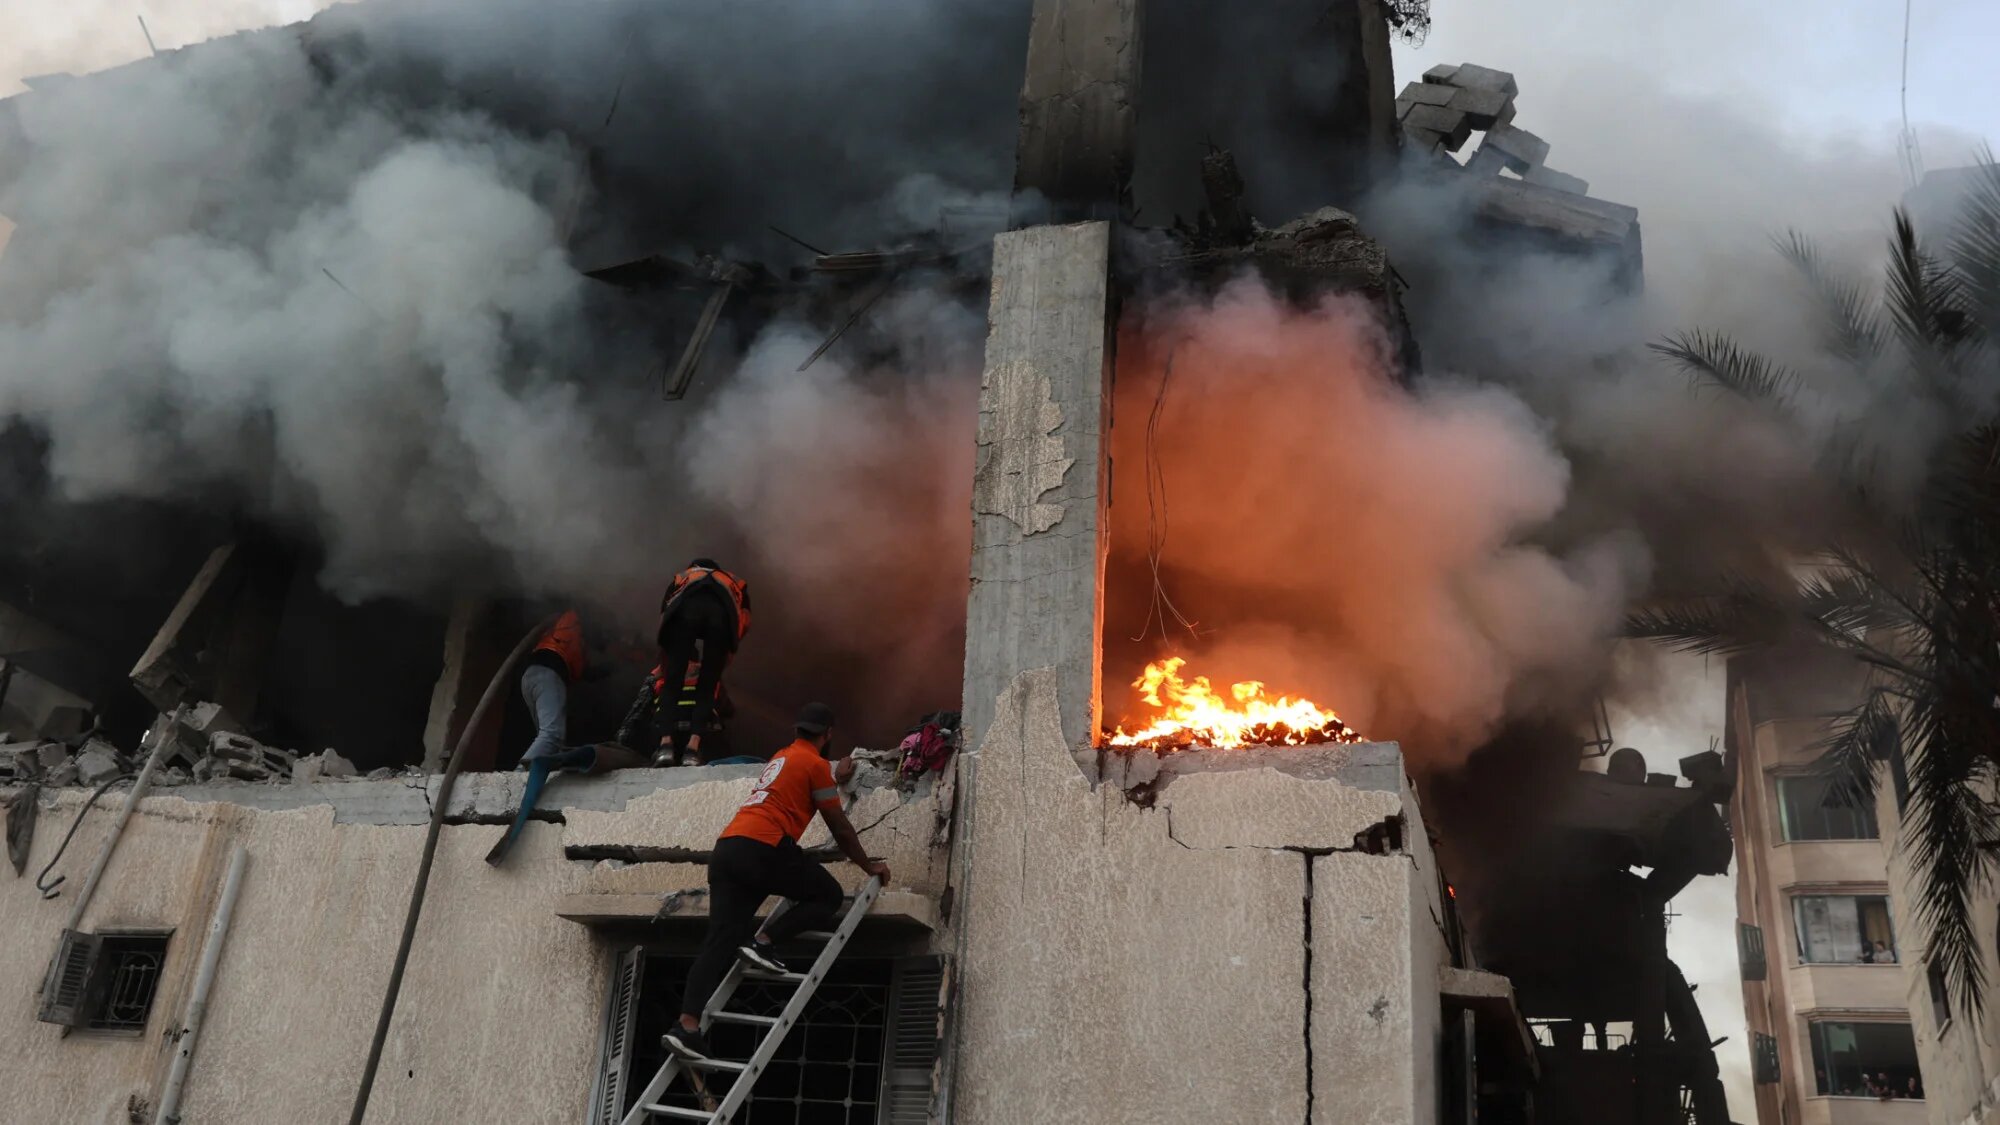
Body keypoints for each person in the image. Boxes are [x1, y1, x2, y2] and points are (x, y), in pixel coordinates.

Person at [663, 703, 889, 1062]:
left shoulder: (782, 757)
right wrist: (868, 865)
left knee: (719, 940)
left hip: (728, 848)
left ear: (799, 729)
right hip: (763, 846)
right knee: (827, 895)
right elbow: (839, 827)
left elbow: (808, 783)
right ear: (827, 734)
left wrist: (836, 777)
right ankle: (764, 942)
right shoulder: (814, 765)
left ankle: (686, 1025)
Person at [656, 559, 750, 763]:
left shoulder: (683, 578)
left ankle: (665, 746)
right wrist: (728, 651)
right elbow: (744, 619)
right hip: (721, 619)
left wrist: (667, 661)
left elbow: (666, 616)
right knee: (708, 685)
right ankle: (692, 749)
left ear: (694, 568)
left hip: (684, 614)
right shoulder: (733, 582)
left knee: (672, 683)